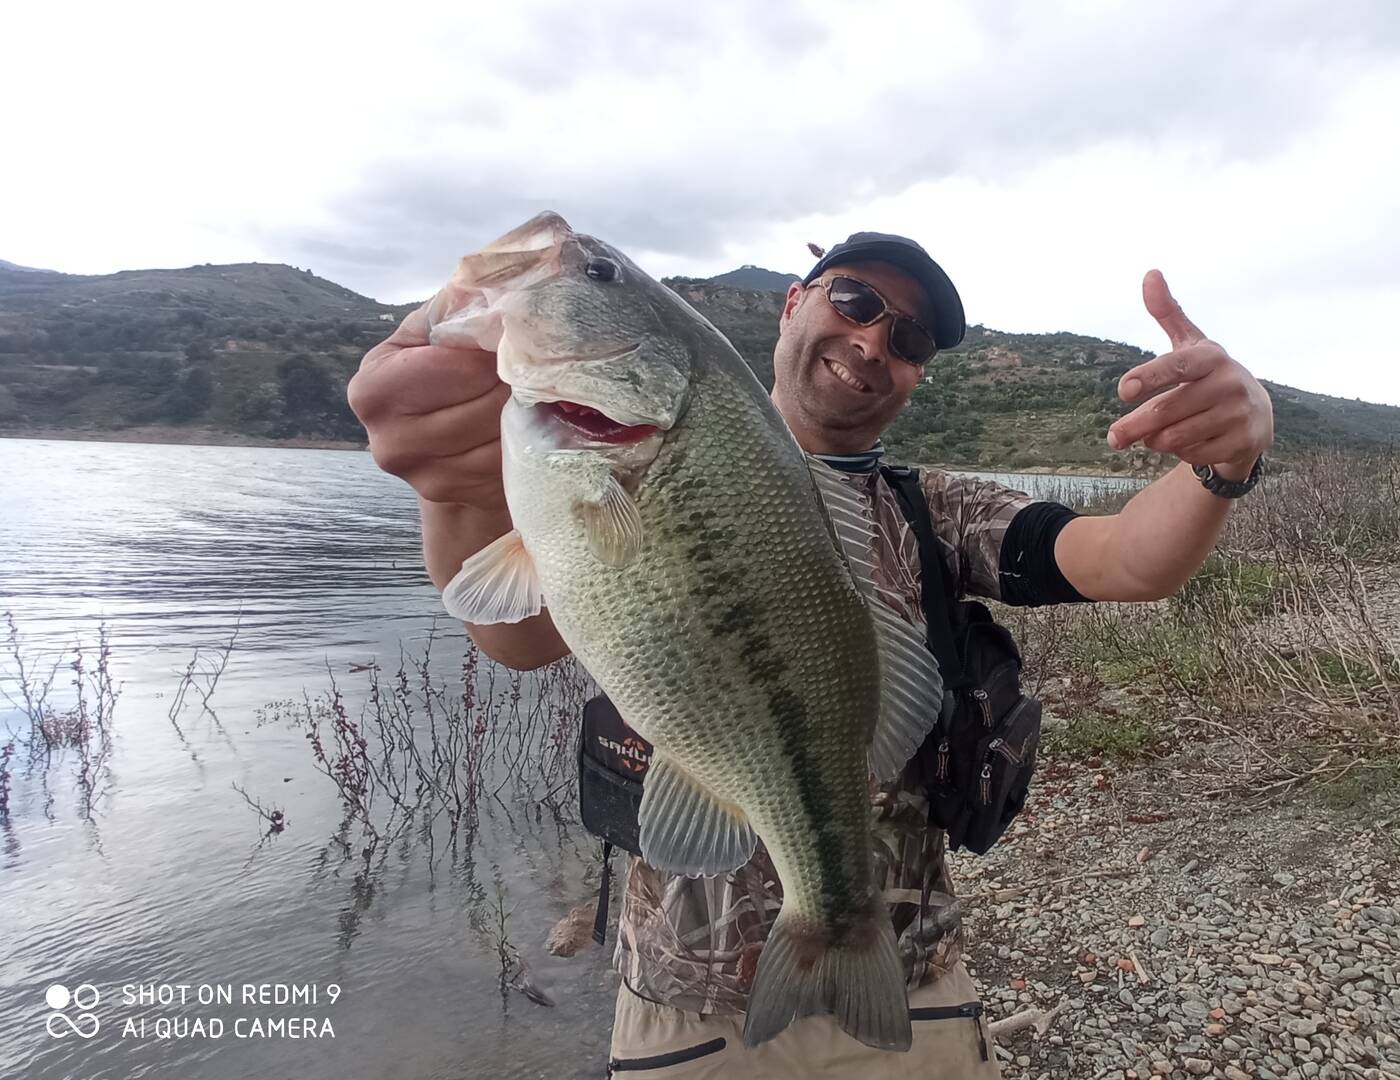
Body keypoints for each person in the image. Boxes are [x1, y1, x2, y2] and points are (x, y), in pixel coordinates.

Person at [348, 232, 1274, 1078]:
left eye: (910, 341)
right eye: (858, 303)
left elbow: (1125, 559)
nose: (875, 343)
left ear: (915, 378)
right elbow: (513, 636)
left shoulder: (933, 510)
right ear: (794, 303)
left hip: (906, 982)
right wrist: (457, 485)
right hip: (687, 1004)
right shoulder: (581, 448)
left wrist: (1221, 463)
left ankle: (837, 919)